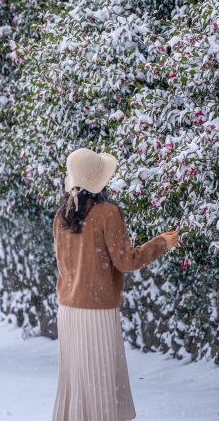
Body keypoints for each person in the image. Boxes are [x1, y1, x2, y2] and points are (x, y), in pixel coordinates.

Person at [52, 147, 179, 421]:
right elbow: (126, 261)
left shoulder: (62, 215)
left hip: (68, 310)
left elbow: (66, 264)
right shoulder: (107, 213)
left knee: (77, 384)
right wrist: (161, 243)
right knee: (101, 382)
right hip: (96, 310)